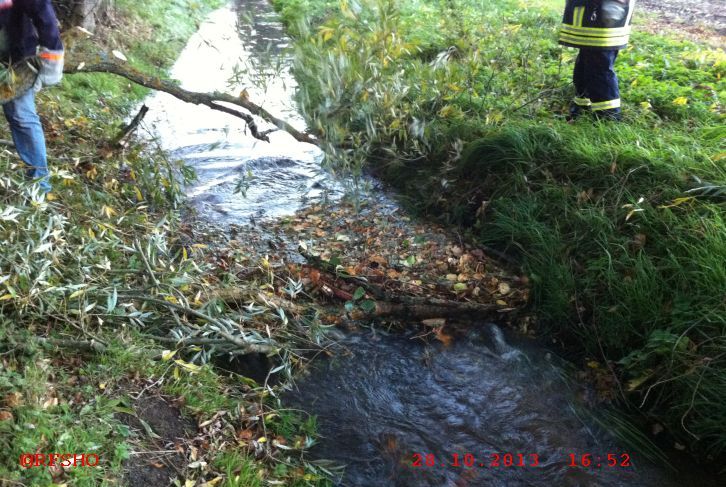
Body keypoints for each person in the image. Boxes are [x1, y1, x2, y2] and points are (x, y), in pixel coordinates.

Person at [0, 0, 64, 193]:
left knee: (22, 117)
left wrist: (52, 56)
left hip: (13, 54)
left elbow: (42, 13)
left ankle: (39, 185)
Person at [559, 0, 635, 121]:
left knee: (599, 68)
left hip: (603, 15)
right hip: (594, 14)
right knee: (585, 66)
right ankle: (582, 109)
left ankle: (609, 118)